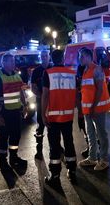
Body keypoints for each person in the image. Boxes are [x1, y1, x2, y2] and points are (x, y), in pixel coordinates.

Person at [41, 49, 78, 186]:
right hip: (68, 115)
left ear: (51, 58)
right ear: (63, 58)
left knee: (54, 145)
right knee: (69, 143)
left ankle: (55, 176)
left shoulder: (48, 73)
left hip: (53, 117)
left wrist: (43, 113)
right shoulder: (71, 73)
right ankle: (72, 171)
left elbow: (45, 95)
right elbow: (76, 94)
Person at [0, 53, 28, 171]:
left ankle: (14, 157)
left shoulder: (17, 75)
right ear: (4, 63)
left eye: (14, 61)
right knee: (4, 136)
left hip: (16, 111)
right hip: (4, 112)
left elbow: (21, 92)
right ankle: (3, 161)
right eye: (11, 61)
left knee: (16, 135)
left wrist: (25, 105)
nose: (14, 63)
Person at [78, 48, 110, 171]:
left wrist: (93, 107)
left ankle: (104, 160)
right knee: (91, 134)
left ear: (88, 56)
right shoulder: (86, 70)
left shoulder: (96, 69)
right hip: (88, 109)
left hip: (97, 109)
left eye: (81, 56)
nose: (79, 59)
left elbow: (99, 90)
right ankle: (92, 158)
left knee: (101, 134)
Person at [30, 50, 51, 160]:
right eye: (42, 56)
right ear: (40, 57)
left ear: (49, 56)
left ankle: (56, 147)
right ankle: (39, 149)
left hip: (52, 102)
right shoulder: (36, 71)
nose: (44, 57)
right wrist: (41, 97)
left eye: (46, 55)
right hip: (40, 102)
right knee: (41, 124)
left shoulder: (53, 68)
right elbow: (32, 86)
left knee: (53, 125)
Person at [76, 62, 89, 158]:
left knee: (92, 130)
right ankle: (90, 147)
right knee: (85, 129)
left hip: (90, 110)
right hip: (82, 110)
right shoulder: (78, 85)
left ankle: (97, 148)